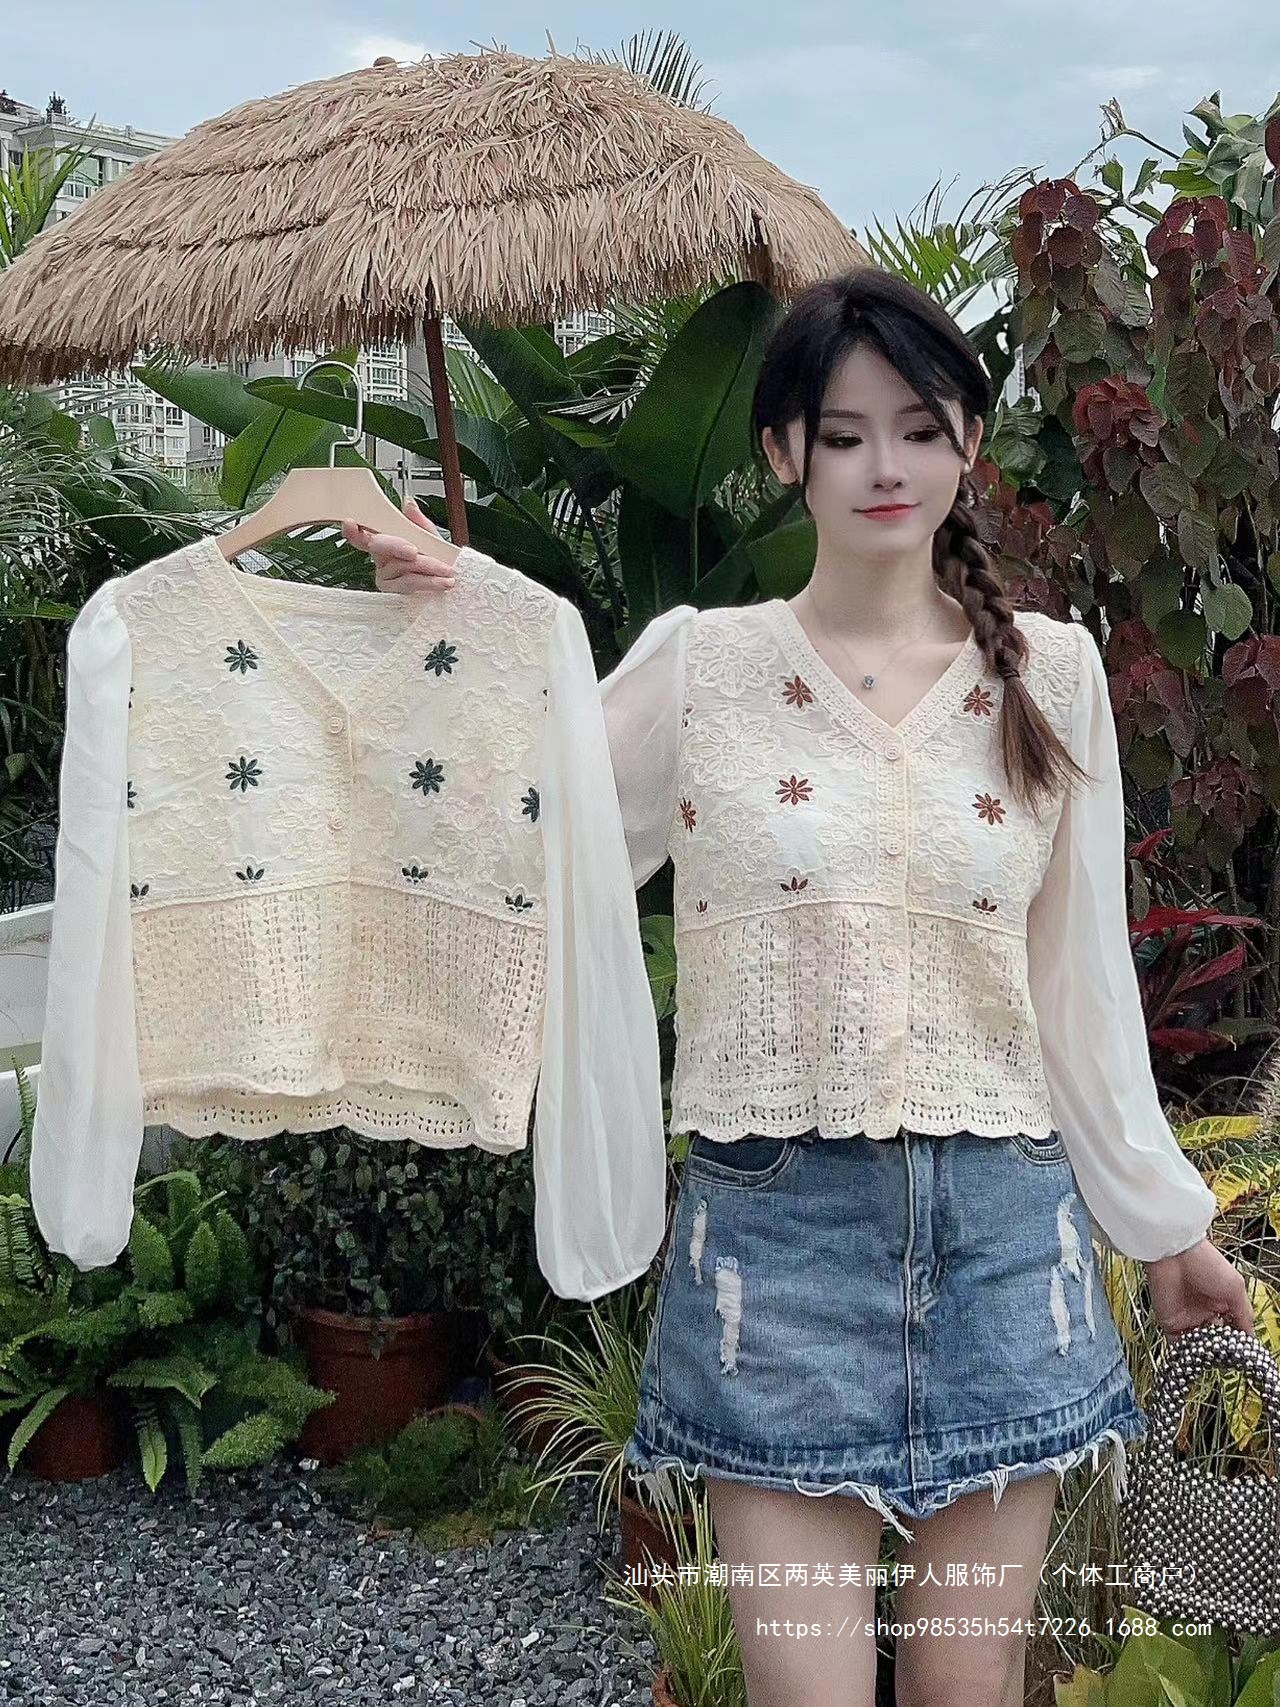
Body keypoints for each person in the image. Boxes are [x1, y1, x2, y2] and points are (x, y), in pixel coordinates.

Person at [343, 267, 1253, 1707]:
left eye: (919, 428)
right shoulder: (701, 672)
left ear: (969, 443)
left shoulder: (1056, 678)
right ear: (783, 453)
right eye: (842, 434)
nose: (885, 466)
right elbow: (519, 842)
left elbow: (1075, 987)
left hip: (1007, 1245)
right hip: (774, 1254)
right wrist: (456, 640)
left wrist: (1163, 1227)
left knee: (967, 1691)